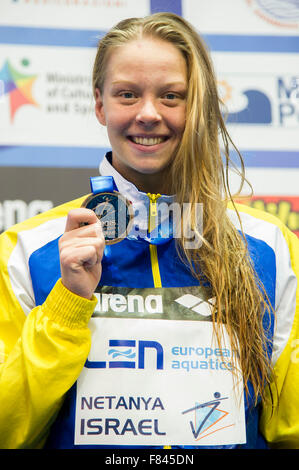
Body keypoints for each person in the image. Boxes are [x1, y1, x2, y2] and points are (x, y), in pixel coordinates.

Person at [0, 12, 298, 450]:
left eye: (171, 96)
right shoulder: (28, 251)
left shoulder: (270, 248)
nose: (148, 114)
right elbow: (8, 430)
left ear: (198, 105)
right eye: (127, 94)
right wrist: (67, 305)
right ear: (100, 104)